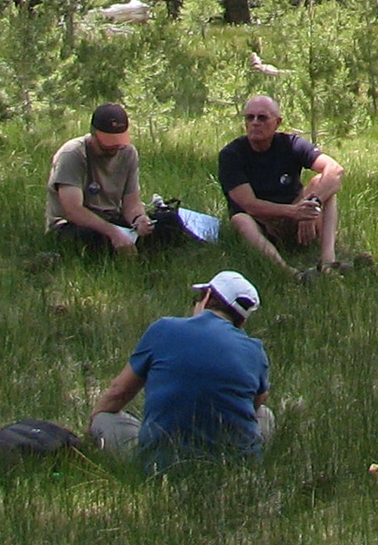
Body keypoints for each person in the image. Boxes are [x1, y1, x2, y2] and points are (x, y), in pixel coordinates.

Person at [90, 271, 274, 475]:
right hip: (233, 469)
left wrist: (90, 430)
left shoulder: (163, 329)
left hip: (161, 467)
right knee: (265, 415)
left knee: (104, 419)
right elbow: (255, 402)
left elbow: (118, 393)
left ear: (206, 297)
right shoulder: (255, 350)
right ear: (242, 321)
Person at [219, 95, 349, 278]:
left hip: (295, 215)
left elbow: (335, 169)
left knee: (325, 184)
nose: (255, 123)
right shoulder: (231, 155)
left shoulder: (290, 144)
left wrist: (312, 204)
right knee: (240, 219)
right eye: (250, 117)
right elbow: (249, 204)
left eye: (262, 118)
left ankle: (328, 261)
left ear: (277, 122)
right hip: (261, 223)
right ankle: (289, 272)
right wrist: (295, 212)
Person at [47, 103, 175, 254]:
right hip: (75, 225)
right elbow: (73, 211)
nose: (115, 146)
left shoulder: (128, 153)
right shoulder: (72, 154)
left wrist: (138, 219)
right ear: (94, 133)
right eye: (108, 141)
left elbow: (131, 201)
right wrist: (113, 233)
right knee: (90, 239)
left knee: (169, 222)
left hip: (112, 218)